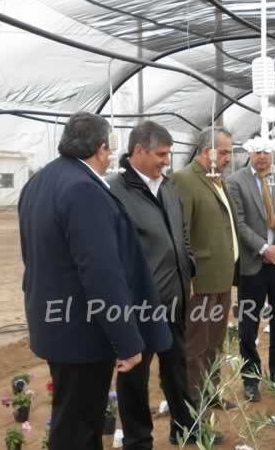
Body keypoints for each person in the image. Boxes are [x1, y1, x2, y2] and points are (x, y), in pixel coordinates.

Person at [18, 112, 171, 450]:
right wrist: (128, 341)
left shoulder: (39, 183)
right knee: (80, 427)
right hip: (82, 332)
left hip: (54, 323)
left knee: (72, 418)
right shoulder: (83, 189)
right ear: (102, 149)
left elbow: (32, 257)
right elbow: (101, 272)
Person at [109, 121, 220, 447]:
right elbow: (111, 253)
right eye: (161, 154)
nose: (165, 161)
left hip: (174, 299)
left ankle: (185, 427)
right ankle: (138, 441)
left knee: (176, 369)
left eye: (168, 154)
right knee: (134, 378)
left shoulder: (168, 187)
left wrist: (187, 263)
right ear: (138, 151)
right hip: (139, 305)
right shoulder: (115, 193)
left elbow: (181, 233)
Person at [227, 145, 275, 403]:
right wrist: (263, 248)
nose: (262, 156)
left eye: (266, 152)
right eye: (257, 151)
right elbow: (238, 221)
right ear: (249, 153)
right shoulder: (236, 181)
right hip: (254, 263)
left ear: (274, 154)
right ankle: (250, 378)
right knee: (248, 324)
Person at [172, 126, 238, 410]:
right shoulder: (185, 180)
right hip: (201, 279)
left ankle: (210, 392)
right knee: (196, 343)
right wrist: (188, 276)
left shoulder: (218, 180)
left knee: (214, 343)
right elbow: (181, 233)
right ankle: (192, 402)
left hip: (222, 276)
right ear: (206, 151)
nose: (228, 158)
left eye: (230, 152)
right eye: (223, 152)